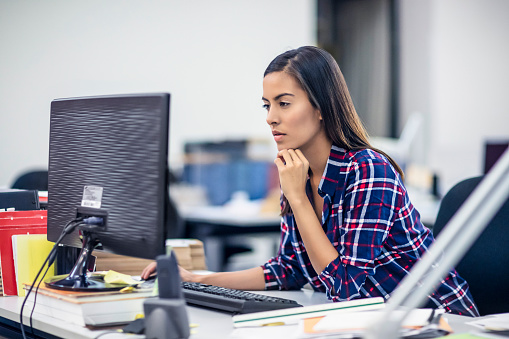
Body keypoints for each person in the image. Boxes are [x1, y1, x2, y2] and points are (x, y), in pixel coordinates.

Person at [142, 46, 479, 316]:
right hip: (372, 319)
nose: (271, 118)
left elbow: (346, 289)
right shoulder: (297, 170)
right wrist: (197, 279)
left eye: (284, 104)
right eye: (267, 105)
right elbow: (288, 269)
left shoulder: (368, 171)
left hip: (437, 320)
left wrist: (299, 200)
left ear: (320, 107)